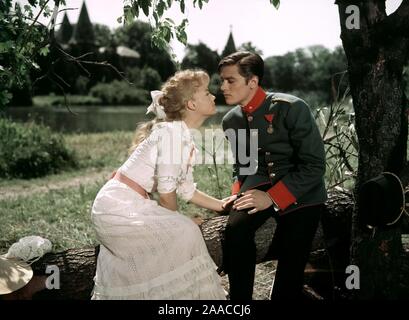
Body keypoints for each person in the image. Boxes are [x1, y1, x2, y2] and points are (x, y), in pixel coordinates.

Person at [91, 69, 228, 300]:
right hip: (117, 208)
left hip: (128, 204)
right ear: (191, 104)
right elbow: (166, 194)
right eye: (207, 93)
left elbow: (186, 189)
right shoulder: (172, 133)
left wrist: (222, 206)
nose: (214, 96)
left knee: (185, 231)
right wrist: (176, 221)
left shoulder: (181, 135)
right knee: (187, 232)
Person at [219, 51, 327, 300]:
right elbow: (244, 166)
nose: (222, 86)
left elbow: (314, 166)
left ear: (253, 82)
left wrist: (273, 198)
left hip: (302, 191)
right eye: (221, 80)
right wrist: (237, 194)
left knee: (291, 261)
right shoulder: (231, 120)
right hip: (258, 184)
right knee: (235, 229)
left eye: (230, 80)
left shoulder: (291, 108)